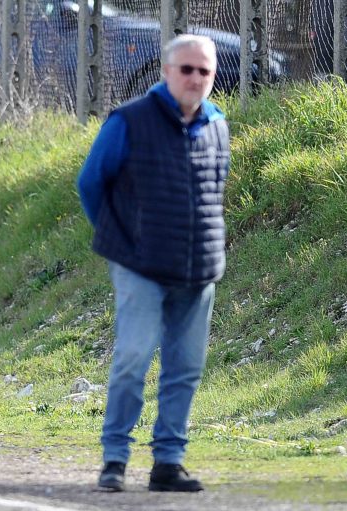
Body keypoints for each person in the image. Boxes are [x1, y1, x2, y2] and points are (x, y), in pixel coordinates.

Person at [77, 34, 230, 492]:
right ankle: (115, 459)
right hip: (139, 264)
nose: (195, 78)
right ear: (166, 72)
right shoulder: (129, 120)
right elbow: (91, 183)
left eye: (204, 71)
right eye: (187, 69)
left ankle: (168, 463)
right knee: (133, 357)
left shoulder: (218, 123)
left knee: (186, 366)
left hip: (197, 269)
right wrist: (124, 237)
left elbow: (214, 192)